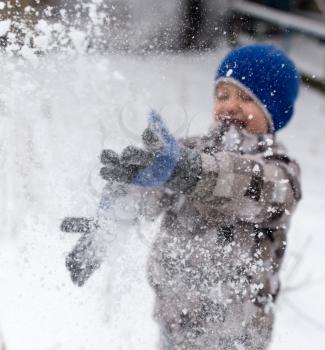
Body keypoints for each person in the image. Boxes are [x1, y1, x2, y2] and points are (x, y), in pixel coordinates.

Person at [64, 43, 301, 349]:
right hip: (174, 322)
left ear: (273, 109)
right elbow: (154, 190)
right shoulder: (190, 152)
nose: (230, 106)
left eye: (246, 98)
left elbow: (245, 183)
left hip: (233, 335)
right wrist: (114, 214)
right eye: (223, 95)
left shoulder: (281, 173)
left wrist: (192, 173)